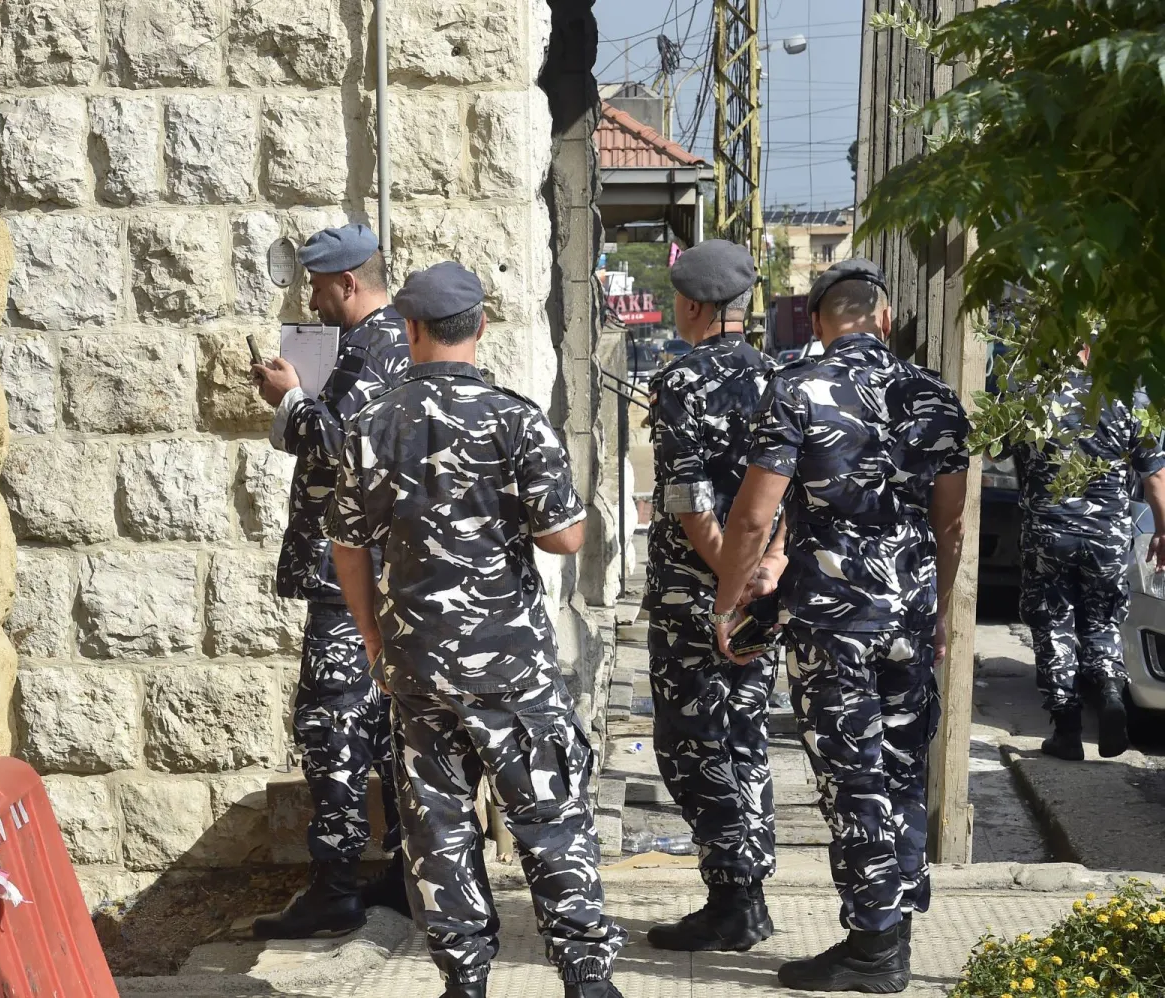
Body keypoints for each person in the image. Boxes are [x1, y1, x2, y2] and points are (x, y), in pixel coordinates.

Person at [326, 262, 627, 998]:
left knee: (438, 828)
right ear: (480, 328)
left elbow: (347, 549)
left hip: (416, 663)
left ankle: (464, 979)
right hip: (508, 667)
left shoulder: (368, 425)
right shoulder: (516, 419)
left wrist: (372, 638)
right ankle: (586, 975)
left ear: (411, 331)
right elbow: (563, 540)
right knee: (550, 815)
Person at [709, 260, 970, 993]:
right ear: (884, 319)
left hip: (833, 620)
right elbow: (949, 524)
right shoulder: (934, 396)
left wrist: (731, 601)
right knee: (902, 773)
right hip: (910, 614)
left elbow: (755, 513)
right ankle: (894, 929)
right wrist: (941, 610)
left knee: (851, 779)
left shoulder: (797, 388)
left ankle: (872, 947)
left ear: (820, 323)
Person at [250, 223, 411, 939]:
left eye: (318, 287)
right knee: (379, 725)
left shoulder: (378, 348)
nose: (311, 299)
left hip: (351, 576)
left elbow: (349, 447)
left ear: (350, 283)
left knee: (329, 722)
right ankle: (405, 874)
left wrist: (288, 402)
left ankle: (335, 887)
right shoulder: (373, 344)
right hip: (364, 570)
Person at [642, 240, 779, 952]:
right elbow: (790, 497)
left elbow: (691, 501)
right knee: (747, 739)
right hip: (761, 589)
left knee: (690, 742)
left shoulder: (681, 383)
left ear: (692, 305)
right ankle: (747, 891)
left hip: (696, 598)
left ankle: (734, 894)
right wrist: (764, 570)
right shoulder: (779, 378)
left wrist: (727, 586)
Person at [1011, 344, 1165, 760]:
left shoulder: (1031, 390)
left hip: (1049, 530)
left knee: (1053, 623)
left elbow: (1004, 453)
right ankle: (1112, 695)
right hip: (1107, 533)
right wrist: (1163, 531)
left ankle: (1067, 730)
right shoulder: (1129, 393)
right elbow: (1154, 479)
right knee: (1103, 618)